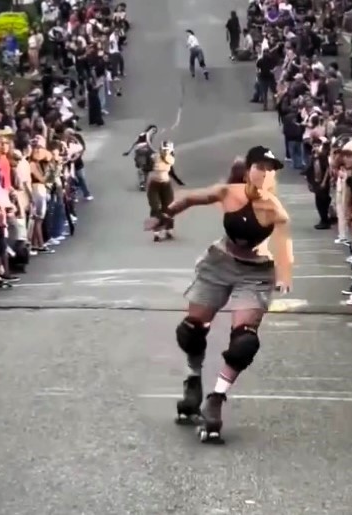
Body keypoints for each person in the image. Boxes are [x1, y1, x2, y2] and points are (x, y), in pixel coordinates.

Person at [144, 146, 293, 441]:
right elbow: (189, 199)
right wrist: (165, 215)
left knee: (244, 342)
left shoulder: (274, 208)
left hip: (256, 271)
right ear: (248, 169)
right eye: (260, 166)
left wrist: (285, 275)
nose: (265, 173)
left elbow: (283, 243)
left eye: (271, 169)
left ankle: (216, 399)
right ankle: (193, 381)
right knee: (191, 330)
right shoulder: (228, 192)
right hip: (219, 263)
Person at [146, 140, 185, 242]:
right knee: (155, 207)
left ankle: (169, 229)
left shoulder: (170, 158)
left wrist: (179, 181)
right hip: (153, 185)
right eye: (165, 150)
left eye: (168, 150)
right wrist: (151, 162)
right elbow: (147, 167)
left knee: (169, 207)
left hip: (166, 185)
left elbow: (171, 170)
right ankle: (156, 232)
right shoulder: (154, 157)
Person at [122, 125, 158, 190]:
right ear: (149, 129)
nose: (154, 132)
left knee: (142, 167)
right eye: (153, 130)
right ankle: (144, 183)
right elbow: (148, 143)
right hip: (144, 151)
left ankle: (142, 183)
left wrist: (128, 151)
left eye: (155, 131)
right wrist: (154, 150)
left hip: (139, 151)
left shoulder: (141, 134)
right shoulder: (148, 134)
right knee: (147, 167)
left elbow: (134, 143)